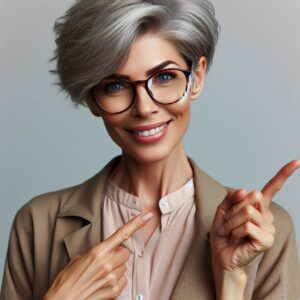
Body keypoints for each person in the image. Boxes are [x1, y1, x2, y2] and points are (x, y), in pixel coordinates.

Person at [1, 0, 299, 299]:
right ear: (92, 99)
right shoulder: (38, 224)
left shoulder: (261, 230)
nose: (144, 108)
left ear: (196, 78)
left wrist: (232, 283)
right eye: (115, 86)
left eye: (165, 77)